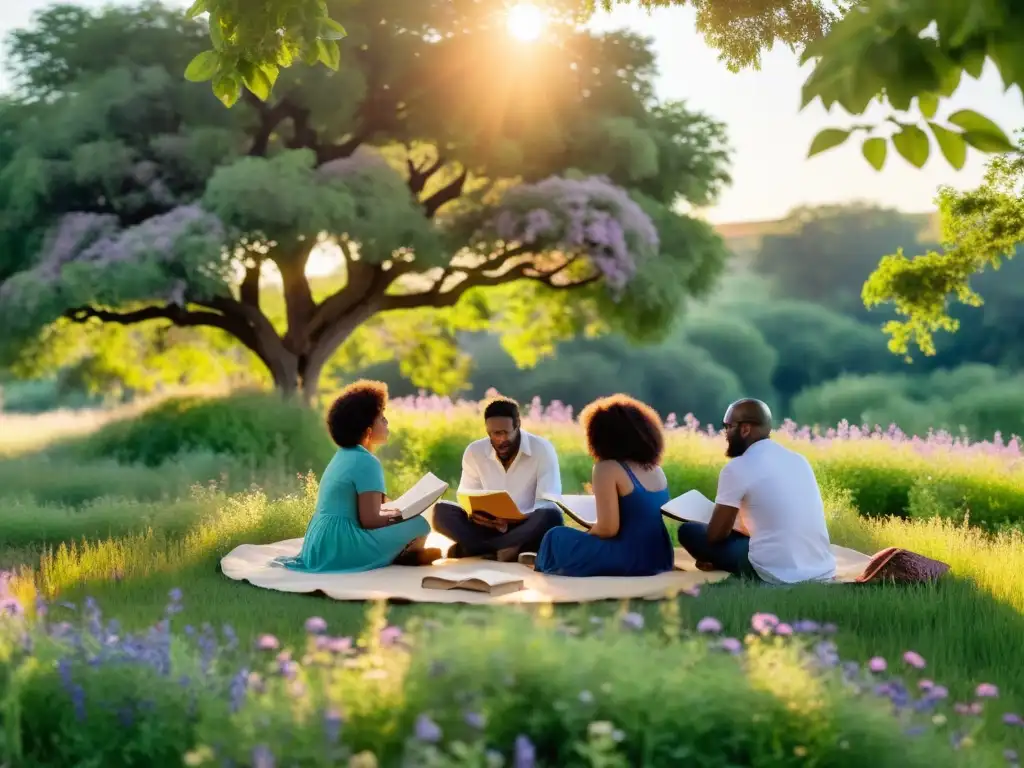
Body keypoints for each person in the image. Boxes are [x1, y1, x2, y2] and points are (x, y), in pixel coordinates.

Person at [275, 380, 440, 573]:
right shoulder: (367, 462)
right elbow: (369, 520)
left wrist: (395, 512)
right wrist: (400, 517)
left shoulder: (343, 455)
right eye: (381, 418)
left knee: (406, 520)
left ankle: (403, 554)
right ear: (368, 431)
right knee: (420, 524)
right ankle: (402, 555)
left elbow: (367, 507)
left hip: (319, 542)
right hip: (341, 544)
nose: (386, 422)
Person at [676, 398, 836, 584]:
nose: (725, 433)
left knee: (689, 531)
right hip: (820, 566)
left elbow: (715, 536)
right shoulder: (799, 460)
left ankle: (714, 561)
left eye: (728, 426)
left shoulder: (737, 467)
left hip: (774, 569)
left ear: (745, 429)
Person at [529, 394, 675, 577]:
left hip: (629, 558)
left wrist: (588, 532)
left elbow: (608, 529)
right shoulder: (655, 469)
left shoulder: (607, 468)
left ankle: (544, 562)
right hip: (660, 557)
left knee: (555, 536)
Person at [432, 397, 565, 561]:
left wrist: (518, 517)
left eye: (505, 433)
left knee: (551, 516)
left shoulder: (542, 449)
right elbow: (467, 496)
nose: (501, 440)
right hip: (486, 527)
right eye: (495, 434)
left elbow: (548, 501)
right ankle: (505, 550)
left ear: (517, 425)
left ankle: (474, 549)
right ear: (488, 431)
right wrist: (477, 516)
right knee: (441, 511)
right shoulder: (474, 452)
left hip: (525, 526)